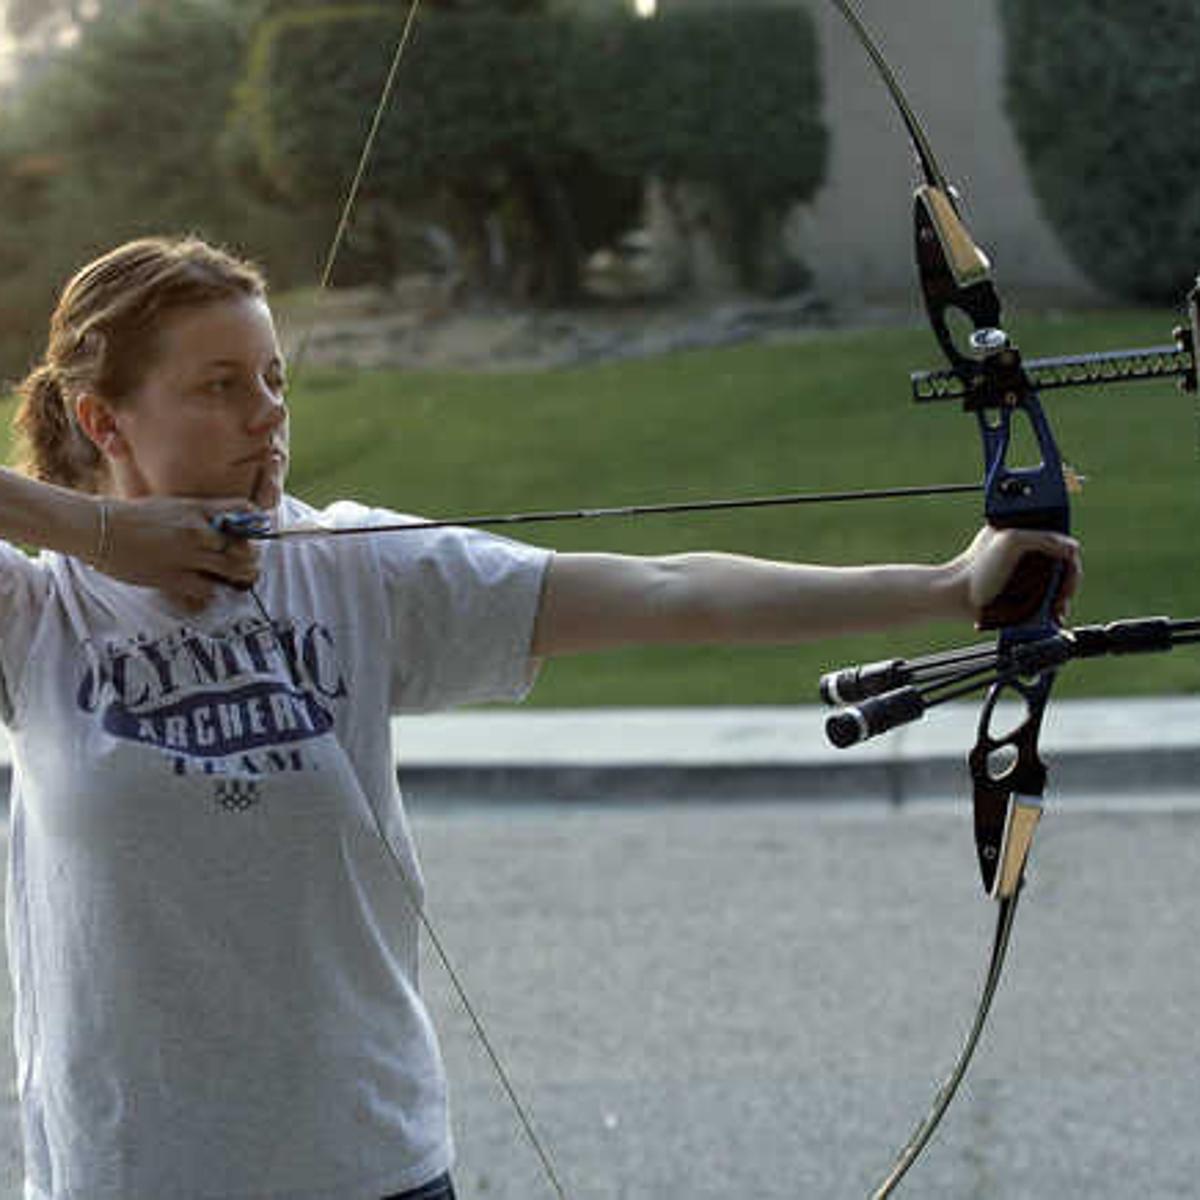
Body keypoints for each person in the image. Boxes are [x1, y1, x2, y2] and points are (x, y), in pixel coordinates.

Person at [0, 236, 1080, 1200]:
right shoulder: (37, 612)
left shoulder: (352, 567)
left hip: (367, 1168)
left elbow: (669, 590)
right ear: (104, 420)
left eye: (275, 377)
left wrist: (950, 588)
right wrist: (95, 533)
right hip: (130, 1174)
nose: (270, 412)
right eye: (221, 385)